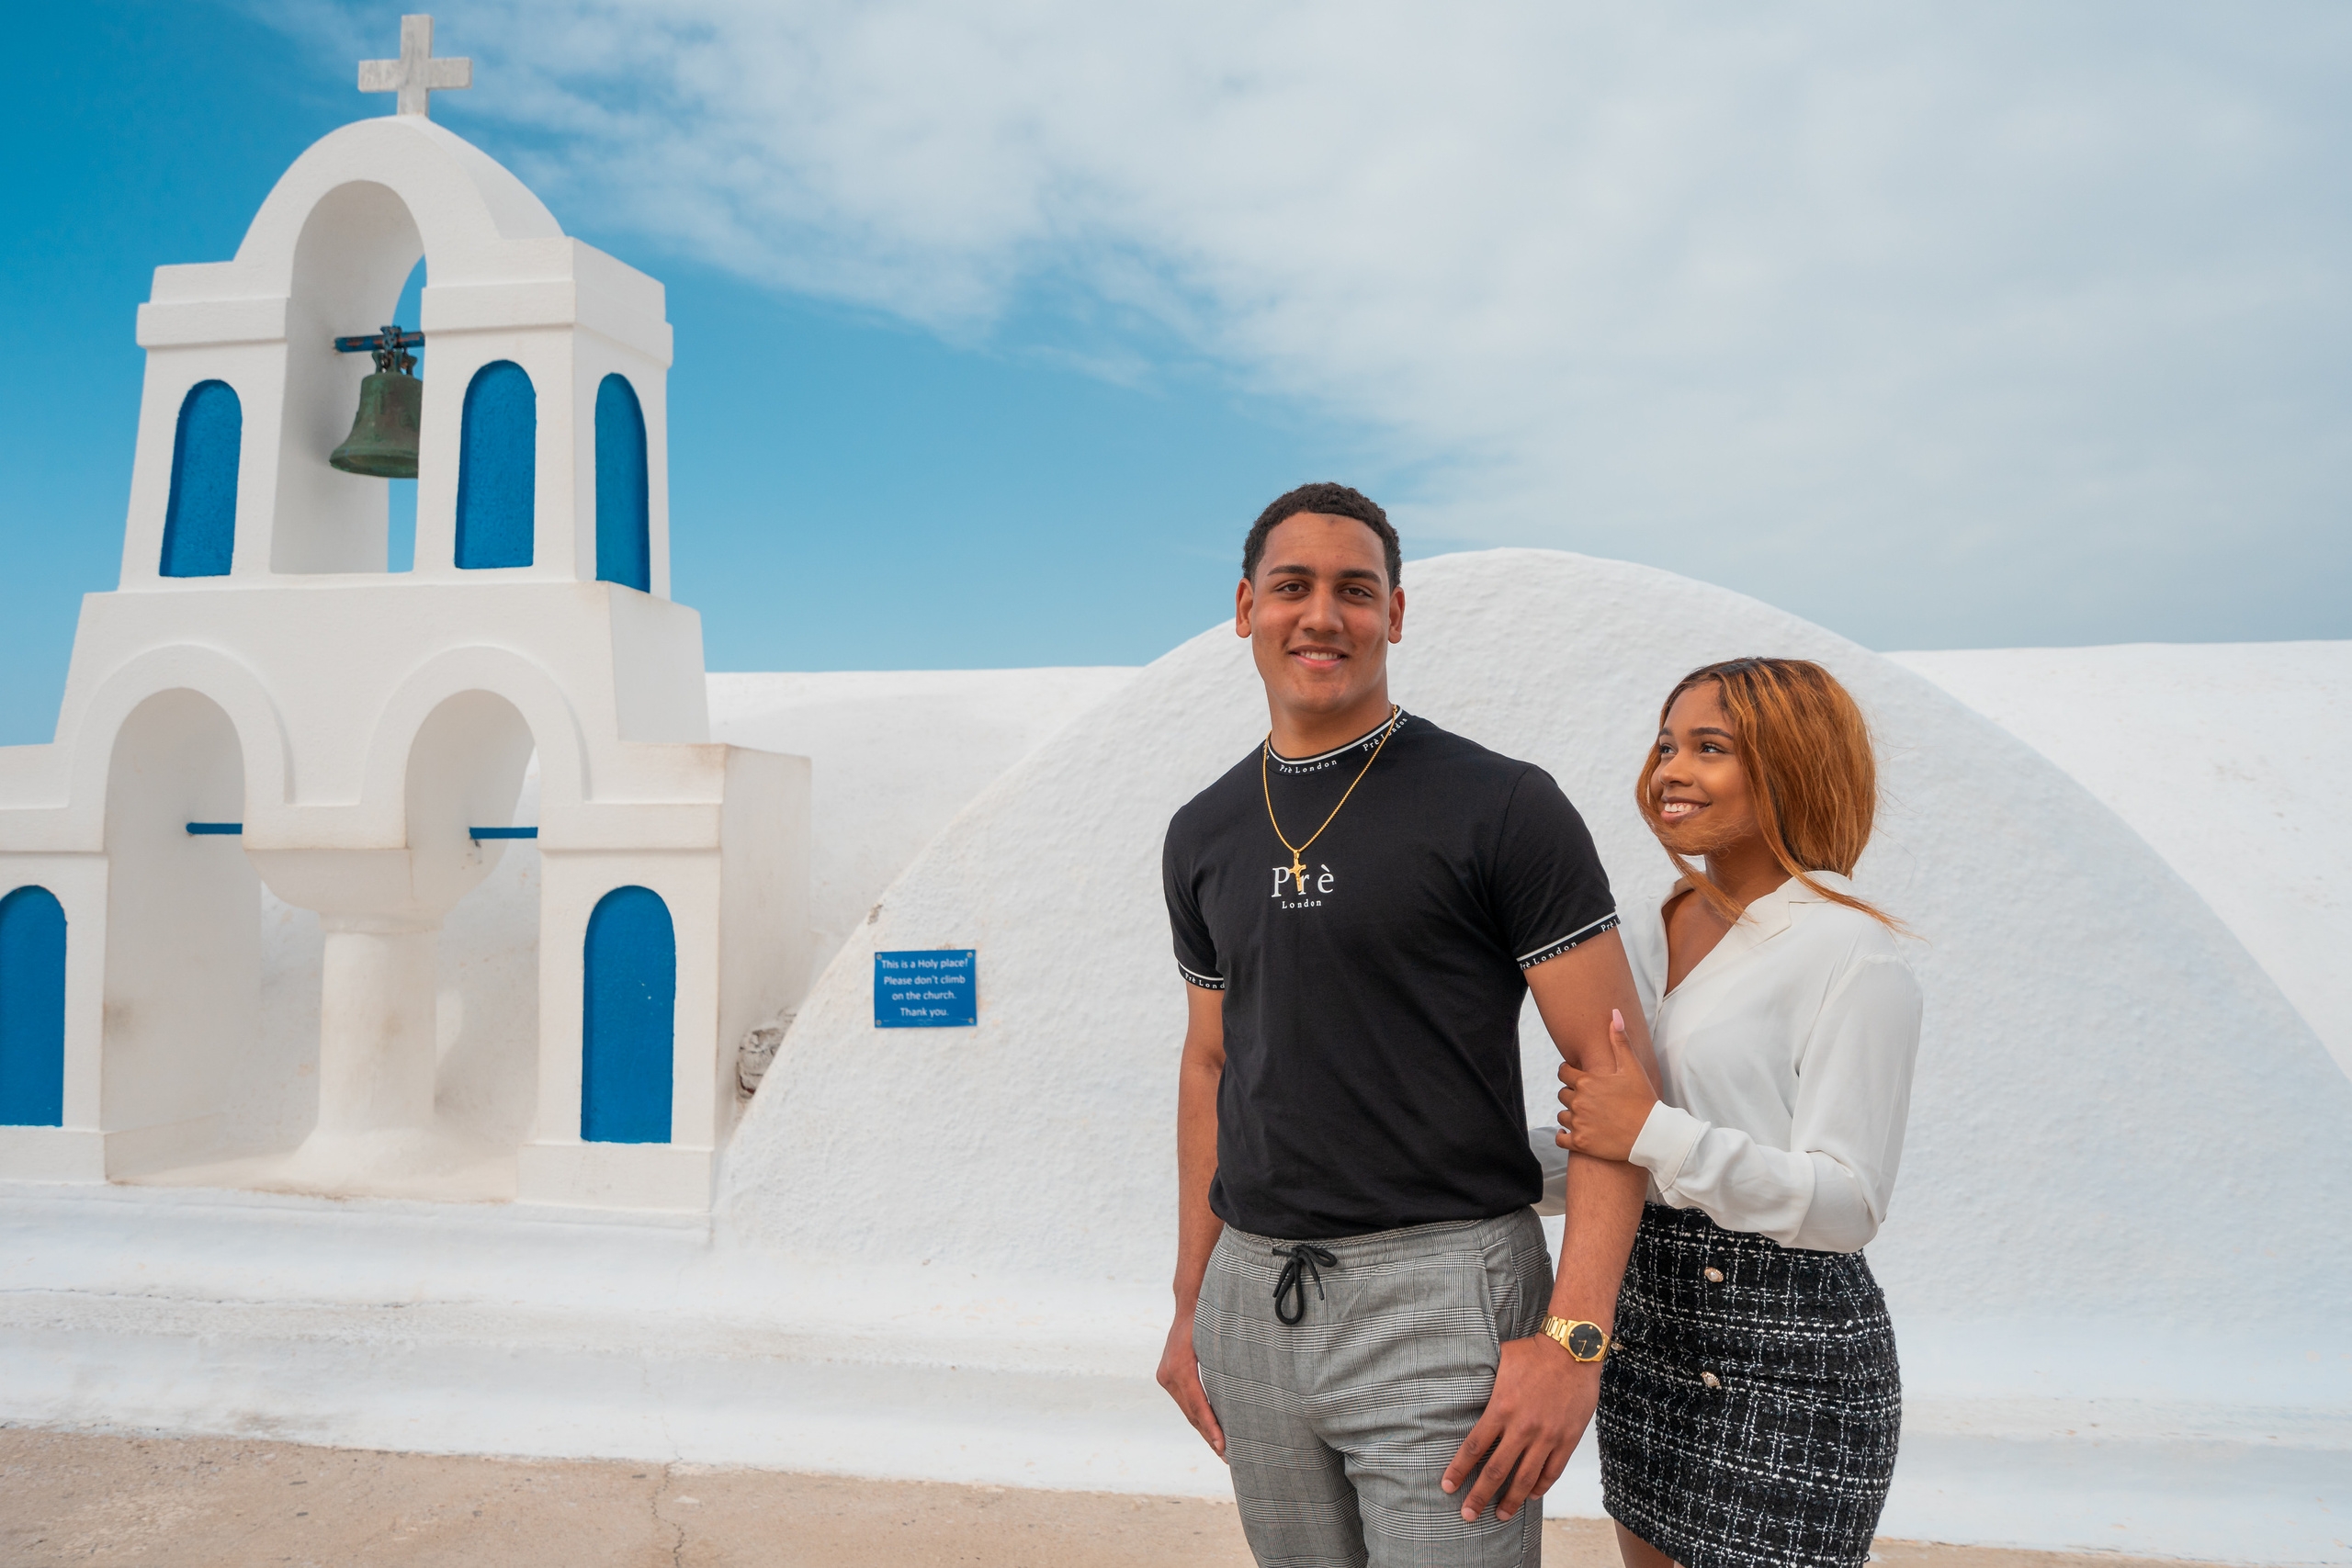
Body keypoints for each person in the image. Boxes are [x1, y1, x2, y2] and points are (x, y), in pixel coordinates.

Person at [1156, 481, 1657, 1567]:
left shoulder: (1503, 806)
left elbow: (1616, 1077)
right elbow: (1211, 1063)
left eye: (1355, 590)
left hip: (1445, 1294)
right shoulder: (1201, 831)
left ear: (1396, 613)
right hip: (1253, 1293)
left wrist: (1573, 1343)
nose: (1322, 616)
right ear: (1245, 607)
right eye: (1292, 587)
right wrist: (1192, 1300)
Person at [1557, 657, 1923, 1568]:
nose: (1671, 769)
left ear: (1792, 765)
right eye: (1666, 743)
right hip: (1648, 1328)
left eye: (1709, 748)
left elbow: (1849, 1203)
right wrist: (1448, 1160)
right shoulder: (1645, 927)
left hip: (1789, 1350)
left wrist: (1648, 1132)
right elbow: (1617, 1135)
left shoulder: (1849, 948)